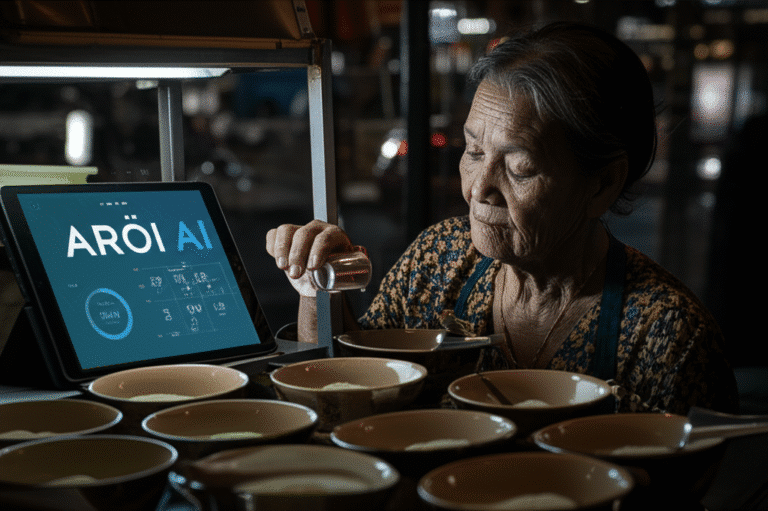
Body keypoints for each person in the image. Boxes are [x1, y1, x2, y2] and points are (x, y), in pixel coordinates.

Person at [266, 21, 738, 415]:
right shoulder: (439, 259)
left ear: (602, 184)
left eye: (519, 167)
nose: (478, 188)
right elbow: (346, 393)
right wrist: (316, 286)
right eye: (473, 150)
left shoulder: (668, 337)